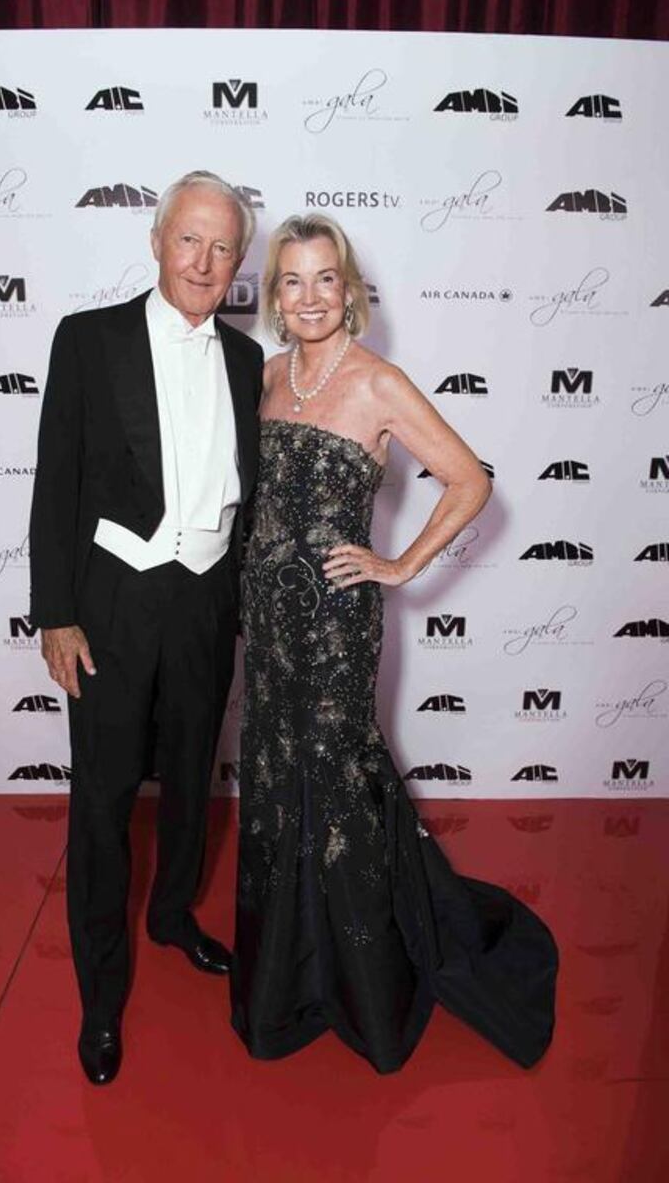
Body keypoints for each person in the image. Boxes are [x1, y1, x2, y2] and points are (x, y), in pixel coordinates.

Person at [230, 214, 558, 1074]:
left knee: (338, 787)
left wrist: (401, 563)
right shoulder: (267, 377)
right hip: (266, 625)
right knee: (273, 776)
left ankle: (364, 986)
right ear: (276, 296)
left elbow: (472, 479)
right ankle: (284, 975)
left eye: (324, 280)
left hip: (336, 627)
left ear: (349, 290)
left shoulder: (379, 384)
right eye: (291, 282)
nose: (308, 298)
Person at [29, 171, 263, 1085]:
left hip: (205, 603)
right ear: (158, 241)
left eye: (221, 248)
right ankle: (100, 994)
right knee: (103, 806)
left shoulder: (247, 361)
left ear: (238, 263)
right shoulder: (88, 340)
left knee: (195, 785)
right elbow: (56, 482)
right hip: (114, 605)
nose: (203, 262)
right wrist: (55, 613)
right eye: (188, 241)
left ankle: (170, 916)